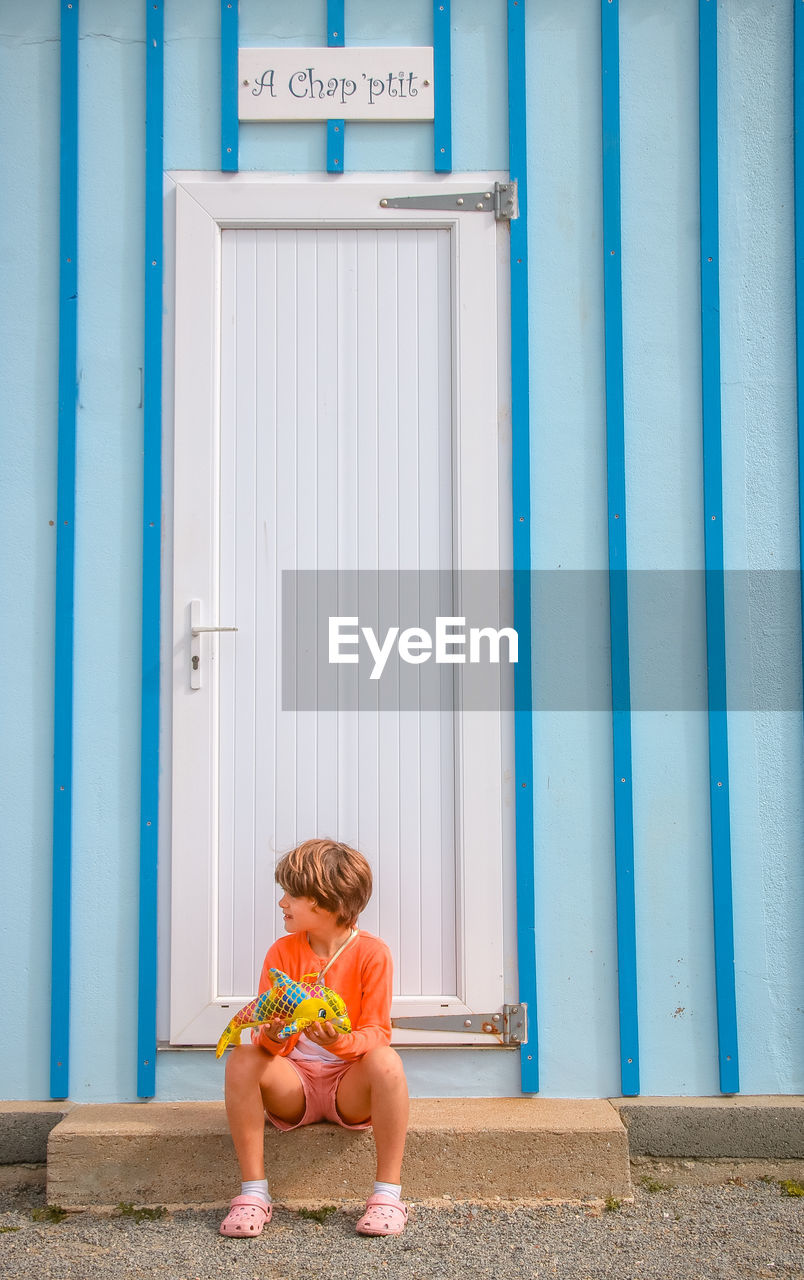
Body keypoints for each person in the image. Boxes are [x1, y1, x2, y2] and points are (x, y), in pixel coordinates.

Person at [219, 837, 410, 1239]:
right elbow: (268, 1031)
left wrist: (338, 1044)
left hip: (349, 1087)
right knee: (244, 1055)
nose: (282, 902)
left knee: (387, 1060)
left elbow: (377, 1031)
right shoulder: (282, 952)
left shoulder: (372, 953)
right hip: (294, 1086)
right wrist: (270, 1038)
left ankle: (387, 1195)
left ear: (325, 903)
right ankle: (253, 1193)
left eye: (291, 894)